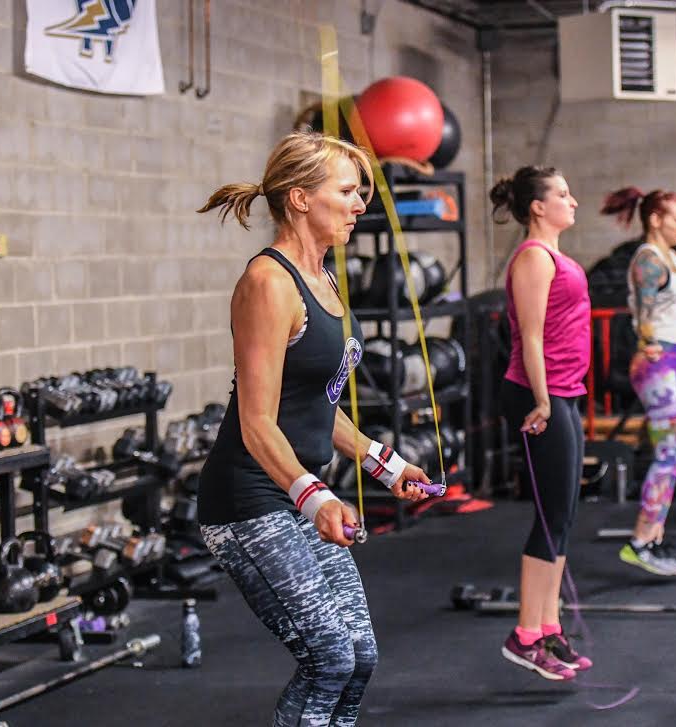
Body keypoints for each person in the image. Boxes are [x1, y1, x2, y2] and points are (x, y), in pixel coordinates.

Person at [195, 130, 431, 726]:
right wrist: (315, 495)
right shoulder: (268, 284)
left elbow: (319, 406)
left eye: (361, 194)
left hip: (296, 496)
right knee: (328, 658)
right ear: (300, 198)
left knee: (359, 657)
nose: (360, 205)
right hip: (247, 502)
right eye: (347, 192)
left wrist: (387, 464)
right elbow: (256, 422)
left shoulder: (324, 280)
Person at [492, 165, 592, 681]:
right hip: (539, 397)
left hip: (563, 394)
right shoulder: (533, 258)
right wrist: (542, 400)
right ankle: (525, 635)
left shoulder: (555, 257)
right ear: (537, 206)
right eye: (562, 193)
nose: (572, 201)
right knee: (551, 516)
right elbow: (529, 337)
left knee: (564, 516)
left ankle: (549, 629)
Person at [600, 188, 676, 578]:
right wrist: (648, 342)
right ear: (655, 220)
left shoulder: (672, 258)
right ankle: (640, 542)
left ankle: (654, 535)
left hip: (674, 358)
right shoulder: (648, 261)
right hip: (657, 365)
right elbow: (646, 313)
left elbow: (667, 312)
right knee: (668, 454)